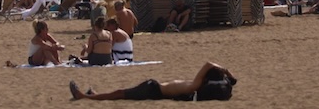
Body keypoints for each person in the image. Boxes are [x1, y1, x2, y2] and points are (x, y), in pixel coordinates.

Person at [69, 61, 236, 101]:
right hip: (155, 89)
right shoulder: (198, 86)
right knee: (121, 93)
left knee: (121, 93)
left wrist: (228, 72)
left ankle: (83, 96)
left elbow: (208, 64)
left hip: (153, 90)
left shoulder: (196, 84)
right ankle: (95, 95)